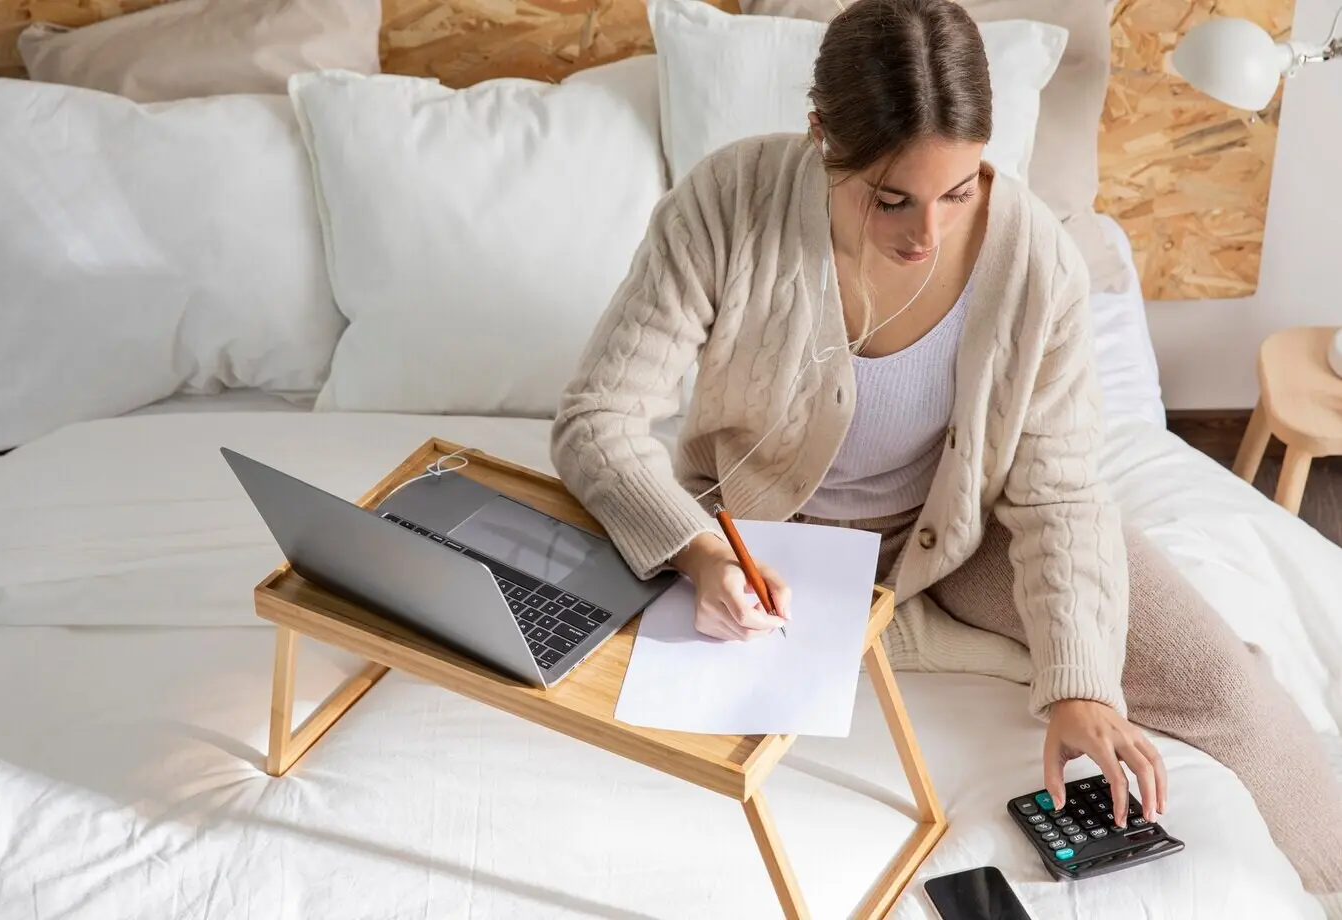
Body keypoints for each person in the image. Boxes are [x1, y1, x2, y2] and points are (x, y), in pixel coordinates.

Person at [549, 0, 1342, 910]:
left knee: (1226, 686)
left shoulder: (1038, 258)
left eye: (958, 192)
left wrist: (1081, 682)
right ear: (821, 138)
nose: (927, 234)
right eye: (892, 198)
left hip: (964, 535)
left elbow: (1061, 496)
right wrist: (700, 551)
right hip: (763, 540)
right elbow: (598, 417)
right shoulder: (727, 204)